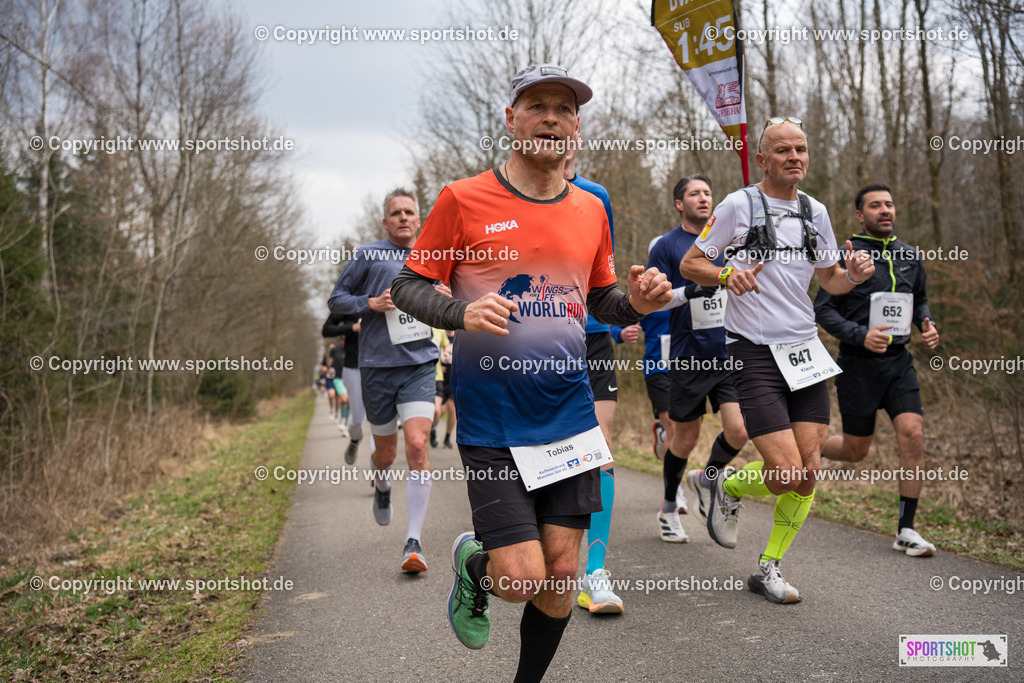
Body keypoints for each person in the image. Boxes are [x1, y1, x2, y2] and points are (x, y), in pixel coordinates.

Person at [390, 63, 671, 682]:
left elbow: (599, 300)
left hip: (568, 414)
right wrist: (461, 313)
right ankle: (475, 563)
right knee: (520, 579)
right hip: (493, 419)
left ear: (577, 127)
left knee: (563, 573)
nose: (551, 118)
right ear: (511, 119)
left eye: (564, 109)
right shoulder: (462, 199)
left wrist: (637, 304)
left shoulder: (591, 208)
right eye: (537, 106)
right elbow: (408, 285)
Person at [680, 116, 875, 603]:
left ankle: (768, 566)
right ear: (762, 159)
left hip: (805, 350)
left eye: (801, 149)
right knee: (785, 472)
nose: (794, 157)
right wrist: (727, 275)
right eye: (783, 150)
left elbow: (829, 279)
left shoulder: (815, 211)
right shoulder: (737, 205)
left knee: (807, 473)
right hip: (753, 350)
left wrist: (853, 275)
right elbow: (691, 263)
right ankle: (726, 484)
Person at [814, 182, 940, 557]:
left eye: (889, 204)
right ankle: (810, 447)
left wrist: (927, 323)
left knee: (912, 434)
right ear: (860, 215)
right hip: (857, 366)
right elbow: (823, 310)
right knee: (855, 450)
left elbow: (919, 300)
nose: (885, 210)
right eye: (875, 205)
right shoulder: (846, 255)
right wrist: (860, 335)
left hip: (899, 363)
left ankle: (906, 529)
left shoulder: (909, 255)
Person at [328, 188, 441, 574]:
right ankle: (381, 484)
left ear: (419, 219)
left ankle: (413, 542)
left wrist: (446, 296)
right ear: (385, 222)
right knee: (386, 455)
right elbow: (336, 300)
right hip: (376, 366)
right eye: (396, 213)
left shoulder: (432, 255)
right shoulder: (368, 255)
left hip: (420, 364)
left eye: (409, 212)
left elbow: (455, 297)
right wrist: (370, 303)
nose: (403, 217)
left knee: (418, 446)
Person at [649, 175, 748, 544]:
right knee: (685, 439)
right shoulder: (667, 246)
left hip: (728, 352)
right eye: (695, 194)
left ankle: (706, 480)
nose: (704, 198)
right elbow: (653, 300)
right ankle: (668, 508)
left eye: (708, 192)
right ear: (680, 204)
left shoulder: (728, 241)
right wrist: (689, 291)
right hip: (689, 356)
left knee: (740, 430)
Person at [562, 131, 624, 615]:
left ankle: (595, 572)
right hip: (538, 343)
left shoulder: (595, 195)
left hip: (593, 335)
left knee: (599, 448)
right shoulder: (507, 195)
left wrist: (628, 310)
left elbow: (604, 274)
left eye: (567, 123)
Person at [323, 312, 373, 463]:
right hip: (353, 367)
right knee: (357, 419)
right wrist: (352, 327)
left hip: (381, 364)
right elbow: (326, 330)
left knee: (380, 419)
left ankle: (380, 465)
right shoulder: (348, 302)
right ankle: (355, 439)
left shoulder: (388, 298)